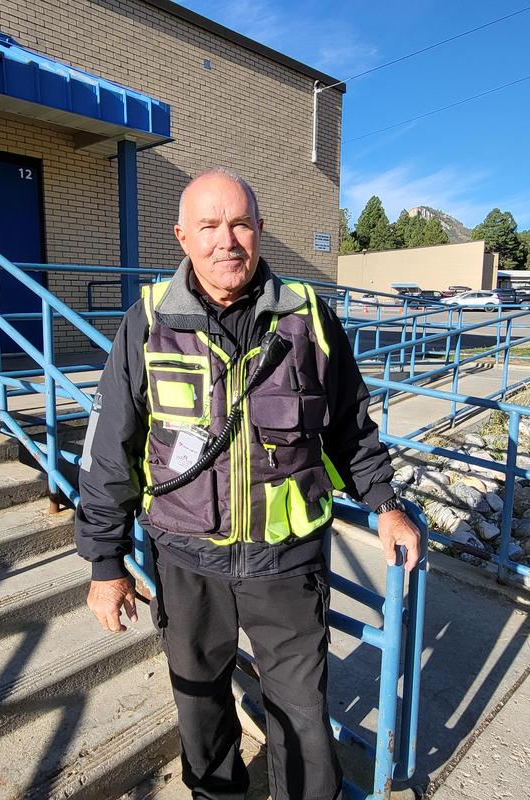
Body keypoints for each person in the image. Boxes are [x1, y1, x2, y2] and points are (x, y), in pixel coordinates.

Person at [75, 168, 420, 800]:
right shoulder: (146, 323)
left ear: (259, 231)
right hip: (186, 562)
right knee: (201, 706)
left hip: (287, 566)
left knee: (302, 716)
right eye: (208, 226)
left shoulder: (310, 319)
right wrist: (105, 562)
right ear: (183, 236)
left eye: (239, 224)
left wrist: (387, 506)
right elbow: (110, 454)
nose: (225, 241)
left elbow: (349, 428)